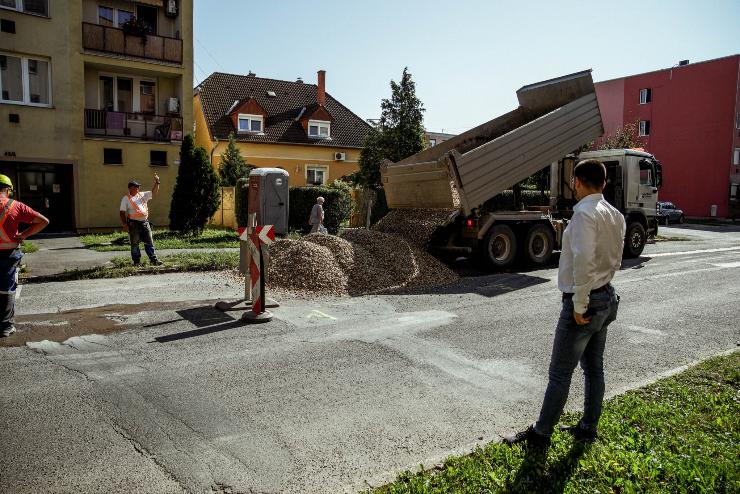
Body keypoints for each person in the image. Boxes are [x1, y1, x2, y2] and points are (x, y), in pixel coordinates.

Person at [505, 159, 626, 449]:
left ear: (578, 182)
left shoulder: (585, 214)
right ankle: (588, 427)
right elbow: (616, 258)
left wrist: (580, 304)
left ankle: (541, 434)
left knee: (560, 372)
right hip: (607, 295)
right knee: (594, 368)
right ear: (604, 183)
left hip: (586, 301)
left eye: (574, 181)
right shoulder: (615, 215)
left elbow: (584, 262)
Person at [0, 174, 49, 337]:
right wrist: (24, 234)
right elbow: (43, 221)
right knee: (6, 289)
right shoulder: (16, 206)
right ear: (8, 189)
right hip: (9, 254)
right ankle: (5, 326)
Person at [119, 175, 162, 266]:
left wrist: (157, 182)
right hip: (133, 223)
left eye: (139, 186)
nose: (139, 188)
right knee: (135, 243)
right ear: (131, 188)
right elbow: (122, 213)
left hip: (144, 222)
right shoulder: (126, 198)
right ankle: (137, 261)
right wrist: (125, 224)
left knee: (149, 241)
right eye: (136, 186)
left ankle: (154, 260)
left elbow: (154, 192)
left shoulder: (142, 195)